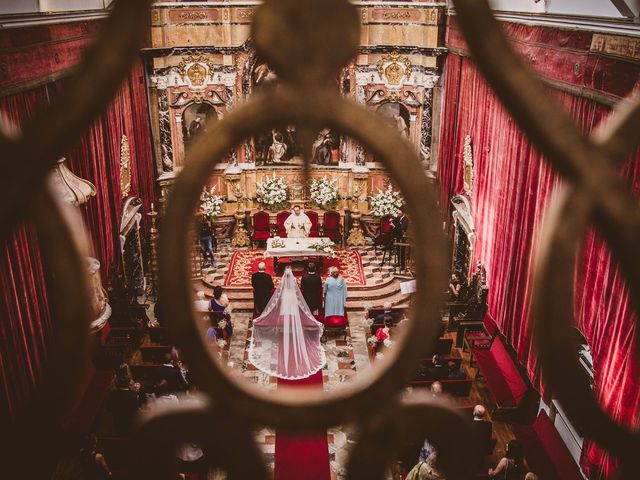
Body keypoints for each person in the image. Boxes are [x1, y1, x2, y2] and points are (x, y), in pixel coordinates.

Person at [249, 267, 326, 379]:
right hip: (292, 299)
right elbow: (299, 297)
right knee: (294, 314)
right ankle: (293, 333)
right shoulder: (294, 285)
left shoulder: (283, 285)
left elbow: (277, 298)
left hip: (285, 298)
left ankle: (285, 333)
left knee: (285, 313)